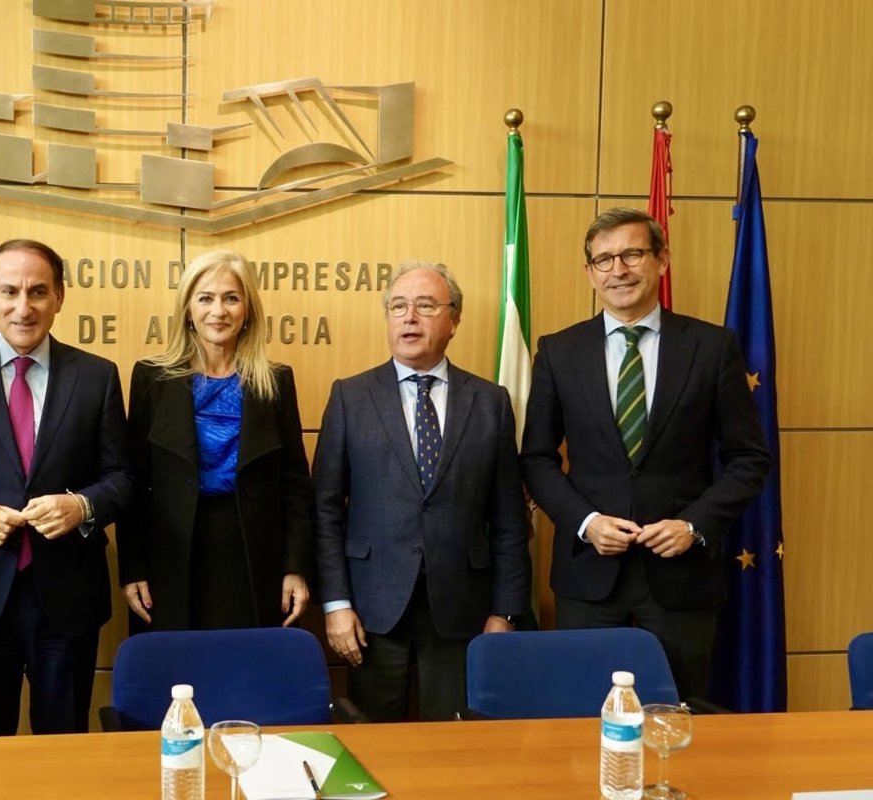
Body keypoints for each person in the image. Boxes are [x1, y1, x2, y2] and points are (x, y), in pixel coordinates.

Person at [520, 207, 771, 700]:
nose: (619, 270)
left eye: (632, 254)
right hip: (589, 575)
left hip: (682, 575)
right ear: (589, 272)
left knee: (678, 713)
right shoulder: (558, 351)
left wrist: (694, 525)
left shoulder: (712, 347)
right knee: (583, 712)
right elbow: (536, 459)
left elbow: (749, 458)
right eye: (604, 259)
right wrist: (586, 521)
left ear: (661, 260)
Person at [0, 238, 132, 735]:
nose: (23, 307)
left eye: (38, 291)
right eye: (9, 291)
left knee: (63, 746)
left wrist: (82, 506)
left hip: (66, 600)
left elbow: (123, 478)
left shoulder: (97, 376)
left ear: (59, 296)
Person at [314, 261, 531, 722]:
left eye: (426, 306)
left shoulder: (490, 402)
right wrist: (335, 604)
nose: (409, 317)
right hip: (372, 609)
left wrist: (506, 612)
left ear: (454, 320)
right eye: (398, 306)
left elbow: (510, 521)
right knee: (373, 738)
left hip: (464, 609)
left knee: (455, 742)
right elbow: (326, 510)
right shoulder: (350, 397)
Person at [119, 249, 312, 631]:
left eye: (231, 298)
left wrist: (296, 567)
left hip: (254, 558)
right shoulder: (151, 378)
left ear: (248, 310)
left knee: (246, 662)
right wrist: (133, 568)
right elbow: (133, 483)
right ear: (188, 310)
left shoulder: (275, 381)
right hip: (170, 559)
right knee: (176, 663)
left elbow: (294, 486)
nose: (218, 311)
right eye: (205, 298)